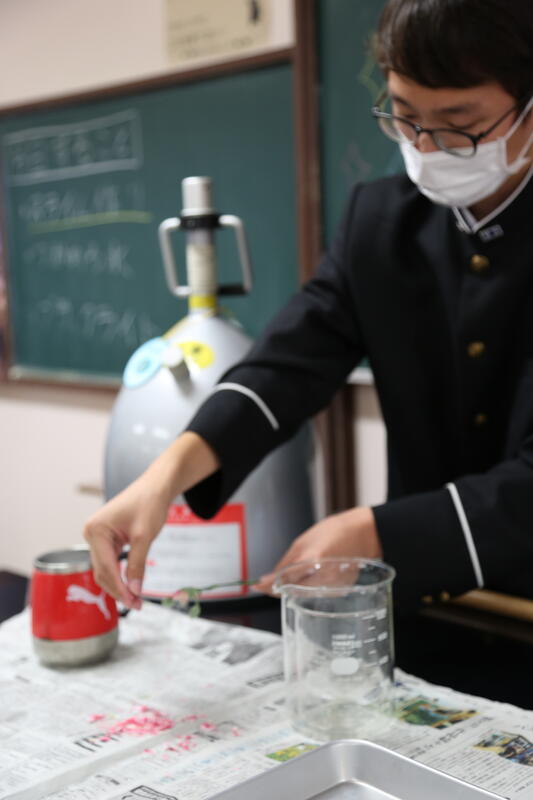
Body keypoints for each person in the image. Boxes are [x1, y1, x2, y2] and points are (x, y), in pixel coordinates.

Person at [84, 0, 533, 616]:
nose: (426, 146)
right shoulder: (382, 222)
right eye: (404, 116)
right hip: (430, 601)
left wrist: (375, 532)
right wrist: (164, 477)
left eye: (460, 123)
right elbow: (289, 363)